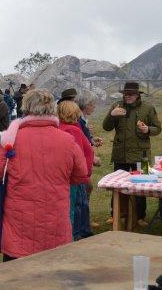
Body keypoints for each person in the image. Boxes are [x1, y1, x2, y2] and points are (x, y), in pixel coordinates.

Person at [0, 89, 88, 262]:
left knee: (16, 279)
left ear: (25, 108)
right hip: (55, 222)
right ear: (52, 109)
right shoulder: (67, 140)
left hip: (19, 226)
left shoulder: (11, 140)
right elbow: (81, 175)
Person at [103, 81, 162, 227]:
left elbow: (158, 128)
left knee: (142, 185)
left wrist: (147, 129)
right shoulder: (117, 106)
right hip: (120, 153)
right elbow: (106, 127)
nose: (127, 96)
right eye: (125, 94)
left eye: (131, 94)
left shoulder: (148, 108)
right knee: (118, 185)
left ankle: (140, 216)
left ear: (137, 95)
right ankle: (116, 214)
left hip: (141, 154)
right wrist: (112, 115)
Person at [57, 100, 94, 240]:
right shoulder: (72, 129)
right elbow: (77, 154)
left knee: (77, 204)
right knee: (76, 206)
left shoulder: (63, 127)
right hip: (76, 176)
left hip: (72, 175)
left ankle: (80, 231)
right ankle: (76, 234)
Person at [76, 89, 103, 228]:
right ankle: (83, 222)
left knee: (86, 189)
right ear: (86, 104)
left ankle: (84, 220)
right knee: (86, 189)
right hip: (80, 164)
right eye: (92, 104)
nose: (94, 107)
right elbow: (78, 142)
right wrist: (92, 157)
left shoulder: (83, 119)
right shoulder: (78, 120)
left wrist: (91, 139)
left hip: (83, 163)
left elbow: (84, 139)